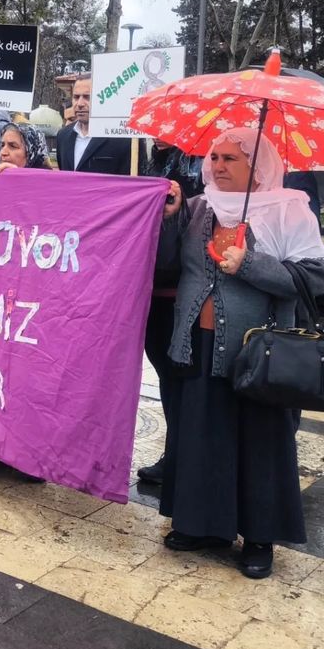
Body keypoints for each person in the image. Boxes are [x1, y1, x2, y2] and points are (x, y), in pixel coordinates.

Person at [158, 129, 324, 579]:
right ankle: (202, 525)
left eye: (230, 158)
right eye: (213, 157)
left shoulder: (290, 211)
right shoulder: (198, 207)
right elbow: (168, 264)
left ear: (257, 169)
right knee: (201, 436)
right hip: (199, 343)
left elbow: (312, 281)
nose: (217, 165)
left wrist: (248, 264)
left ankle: (257, 537)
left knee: (258, 445)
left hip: (257, 353)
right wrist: (171, 218)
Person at [138, 143, 205, 485]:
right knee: (165, 373)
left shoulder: (200, 168)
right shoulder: (153, 164)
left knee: (180, 377)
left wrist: (178, 210)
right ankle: (175, 451)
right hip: (152, 288)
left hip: (183, 291)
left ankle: (180, 455)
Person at [55, 75, 132, 174]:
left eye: (87, 97)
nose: (80, 103)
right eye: (76, 97)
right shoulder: (63, 136)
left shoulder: (122, 138)